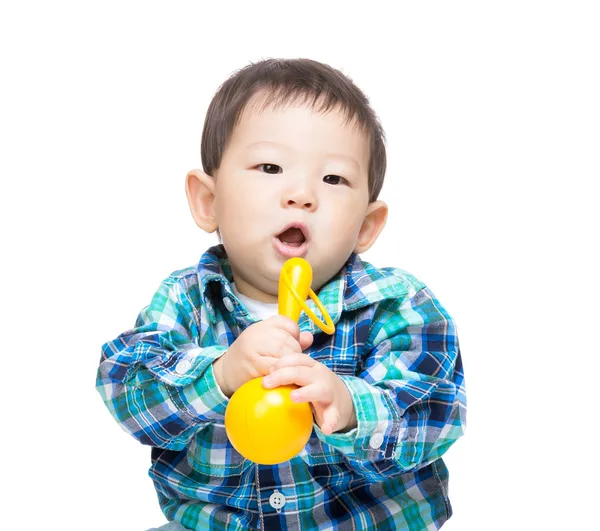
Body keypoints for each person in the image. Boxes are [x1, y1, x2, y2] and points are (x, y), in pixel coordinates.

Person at [96, 58, 466, 531]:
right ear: (208, 202)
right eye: (270, 167)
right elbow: (126, 389)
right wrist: (220, 374)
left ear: (366, 226)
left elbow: (435, 414)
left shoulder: (398, 305)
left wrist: (349, 407)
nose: (301, 194)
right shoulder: (185, 300)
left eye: (333, 179)